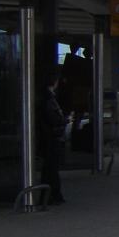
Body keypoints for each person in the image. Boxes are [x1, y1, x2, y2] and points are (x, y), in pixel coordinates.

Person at [39, 74, 73, 206]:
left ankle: (52, 194)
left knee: (49, 168)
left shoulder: (42, 97)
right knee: (51, 168)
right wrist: (66, 120)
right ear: (55, 83)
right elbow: (53, 119)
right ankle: (50, 195)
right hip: (51, 137)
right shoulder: (49, 99)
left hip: (46, 137)